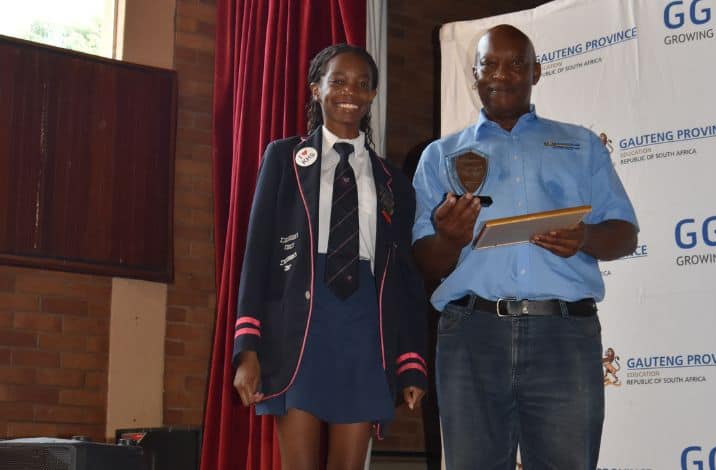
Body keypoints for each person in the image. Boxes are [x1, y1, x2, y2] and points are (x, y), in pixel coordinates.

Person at [411, 25, 638, 470]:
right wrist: (450, 239)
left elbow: (624, 234)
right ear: (475, 74)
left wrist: (584, 238)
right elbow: (425, 262)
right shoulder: (440, 155)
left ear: (536, 71)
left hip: (564, 336)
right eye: (489, 64)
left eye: (517, 63)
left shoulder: (582, 144)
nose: (502, 74)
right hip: (472, 335)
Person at [232, 44, 427, 470]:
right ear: (316, 89)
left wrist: (411, 361)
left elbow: (404, 277)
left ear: (373, 94)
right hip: (300, 326)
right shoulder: (283, 158)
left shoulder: (392, 180)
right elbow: (257, 255)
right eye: (337, 81)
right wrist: (247, 347)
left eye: (362, 84)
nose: (349, 92)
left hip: (364, 325)